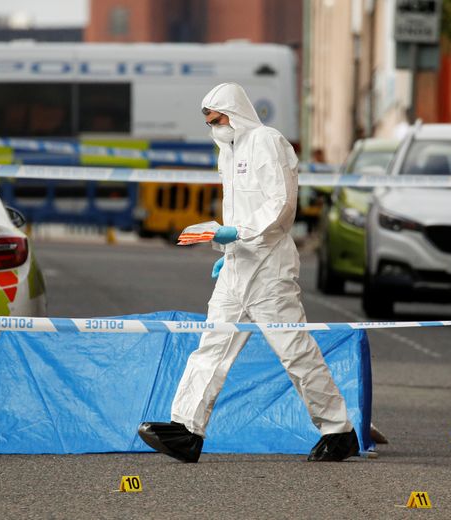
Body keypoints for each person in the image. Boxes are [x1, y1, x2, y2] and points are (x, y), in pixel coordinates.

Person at [137, 83, 359, 463]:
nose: (214, 127)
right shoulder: (228, 151)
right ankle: (187, 430)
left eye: (218, 119)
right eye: (209, 122)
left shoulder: (267, 142)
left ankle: (339, 430)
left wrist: (236, 234)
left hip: (269, 267)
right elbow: (238, 209)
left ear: (235, 113)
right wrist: (227, 247)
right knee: (212, 345)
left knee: (294, 351)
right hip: (239, 263)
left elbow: (281, 206)